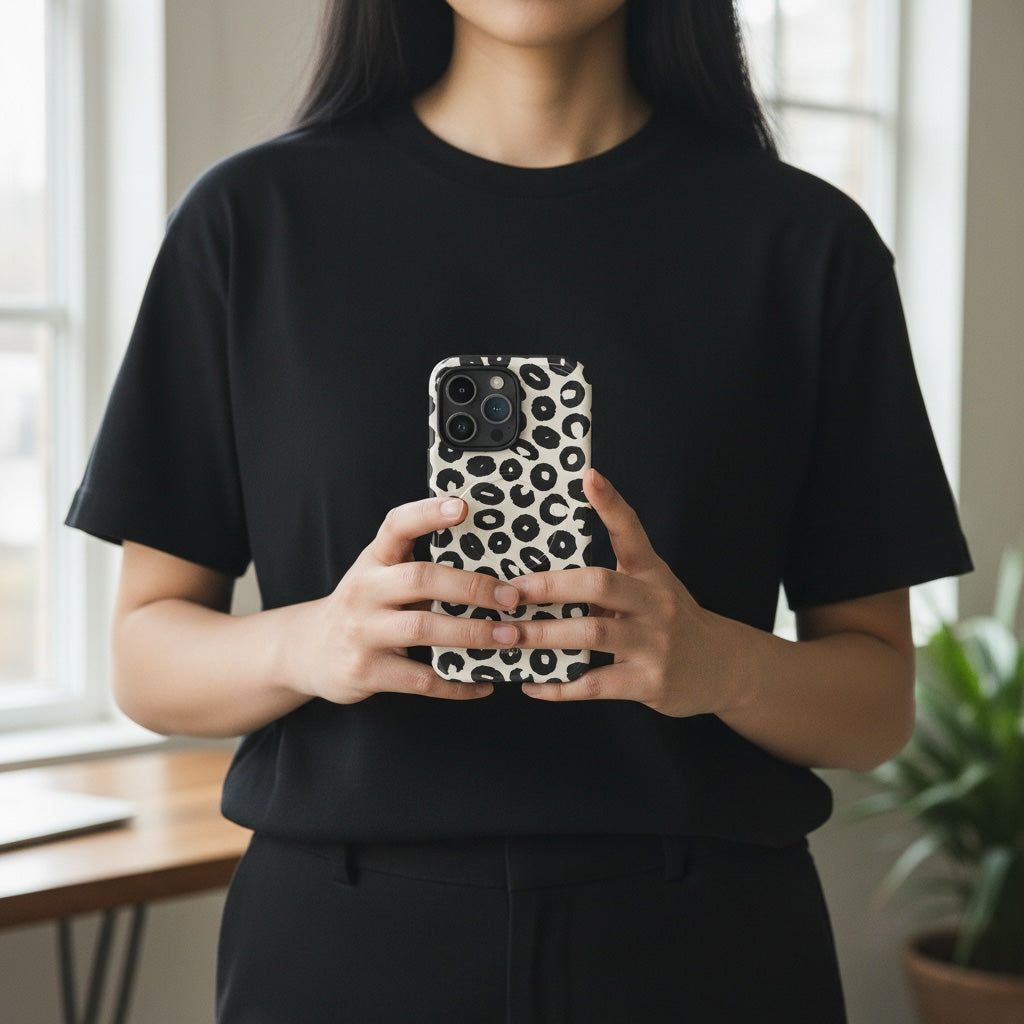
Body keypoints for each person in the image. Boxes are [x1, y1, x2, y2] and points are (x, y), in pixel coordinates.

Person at [66, 1, 973, 1021]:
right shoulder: (250, 222)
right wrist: (311, 641)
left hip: (706, 949)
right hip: (341, 947)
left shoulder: (806, 244)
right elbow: (145, 655)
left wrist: (722, 663)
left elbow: (876, 699)